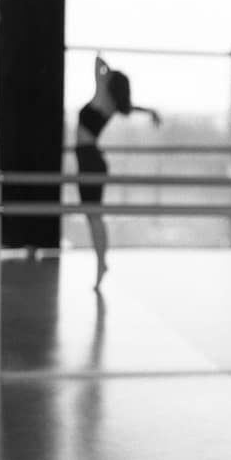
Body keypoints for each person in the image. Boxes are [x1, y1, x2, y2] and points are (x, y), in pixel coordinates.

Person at [75, 54, 161, 289]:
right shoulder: (112, 104)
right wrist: (150, 111)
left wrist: (105, 67)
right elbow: (132, 107)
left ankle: (101, 263)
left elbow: (97, 64)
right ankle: (101, 262)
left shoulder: (101, 96)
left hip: (89, 161)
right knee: (94, 216)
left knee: (94, 216)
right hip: (90, 160)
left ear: (110, 83)